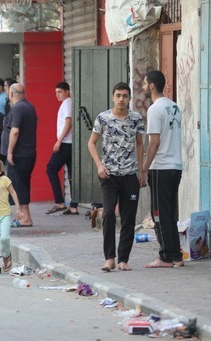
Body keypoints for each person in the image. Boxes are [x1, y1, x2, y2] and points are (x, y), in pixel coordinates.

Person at [87, 82, 145, 272]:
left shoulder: (136, 119)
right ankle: (109, 258)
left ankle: (123, 260)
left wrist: (141, 171)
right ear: (113, 97)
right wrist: (99, 165)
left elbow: (139, 145)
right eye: (118, 95)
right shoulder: (103, 118)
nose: (121, 99)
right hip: (109, 175)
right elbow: (91, 143)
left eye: (125, 96)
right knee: (109, 214)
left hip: (130, 175)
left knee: (128, 218)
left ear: (129, 98)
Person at [141, 70, 184, 268]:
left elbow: (154, 142)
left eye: (144, 84)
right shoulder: (174, 106)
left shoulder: (154, 109)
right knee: (170, 213)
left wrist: (144, 168)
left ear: (151, 86)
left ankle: (166, 256)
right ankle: (176, 256)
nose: (142, 87)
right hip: (175, 167)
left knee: (159, 213)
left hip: (161, 168)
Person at [1, 83, 37, 227]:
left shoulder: (17, 109)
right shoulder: (29, 106)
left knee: (18, 185)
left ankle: (25, 218)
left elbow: (15, 131)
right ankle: (24, 216)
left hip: (19, 154)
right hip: (28, 153)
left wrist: (9, 152)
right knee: (22, 184)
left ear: (11, 94)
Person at [46, 82, 79, 215]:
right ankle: (73, 205)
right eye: (56, 92)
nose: (57, 95)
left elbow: (68, 122)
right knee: (71, 175)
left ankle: (59, 202)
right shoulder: (68, 103)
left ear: (67, 92)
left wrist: (59, 141)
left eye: (60, 92)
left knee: (51, 169)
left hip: (65, 143)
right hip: (69, 143)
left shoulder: (67, 103)